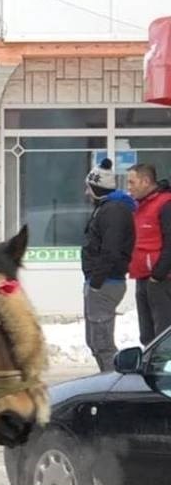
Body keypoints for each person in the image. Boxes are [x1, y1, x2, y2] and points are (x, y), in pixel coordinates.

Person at [80, 158, 135, 371]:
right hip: (101, 282)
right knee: (94, 341)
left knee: (102, 343)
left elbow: (110, 250)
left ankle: (111, 384)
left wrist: (96, 281)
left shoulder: (113, 211)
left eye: (89, 188)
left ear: (97, 188)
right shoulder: (108, 209)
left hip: (104, 284)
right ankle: (106, 377)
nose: (86, 193)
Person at [126, 163, 171, 344]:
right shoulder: (140, 205)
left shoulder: (165, 204)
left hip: (160, 280)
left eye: (132, 182)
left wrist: (158, 274)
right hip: (142, 277)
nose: (129, 188)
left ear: (145, 181)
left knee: (162, 333)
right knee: (147, 334)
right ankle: (150, 367)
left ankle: (164, 369)